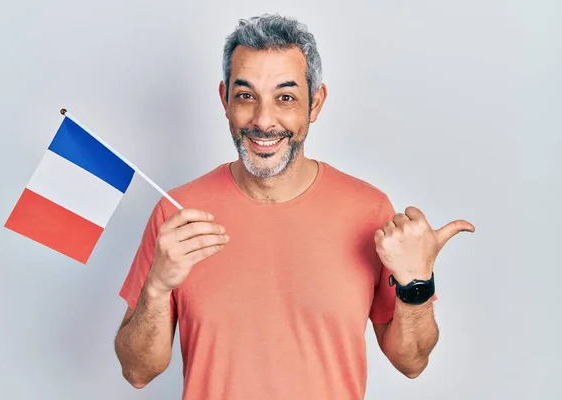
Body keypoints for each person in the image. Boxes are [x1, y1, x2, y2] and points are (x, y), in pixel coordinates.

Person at [113, 13, 474, 400]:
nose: (263, 120)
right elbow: (137, 372)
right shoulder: (178, 214)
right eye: (246, 95)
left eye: (285, 97)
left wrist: (416, 282)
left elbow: (412, 362)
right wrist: (155, 290)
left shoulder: (369, 210)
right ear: (224, 100)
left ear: (315, 103)